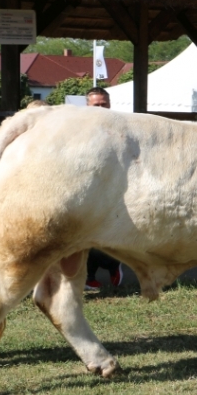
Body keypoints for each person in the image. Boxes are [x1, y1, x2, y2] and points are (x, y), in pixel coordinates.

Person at [82, 87, 124, 289]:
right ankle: (89, 275)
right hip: (88, 188)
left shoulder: (119, 127)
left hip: (114, 189)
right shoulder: (78, 130)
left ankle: (113, 267)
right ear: (87, 106)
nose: (100, 108)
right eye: (96, 105)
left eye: (104, 104)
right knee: (86, 236)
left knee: (111, 233)